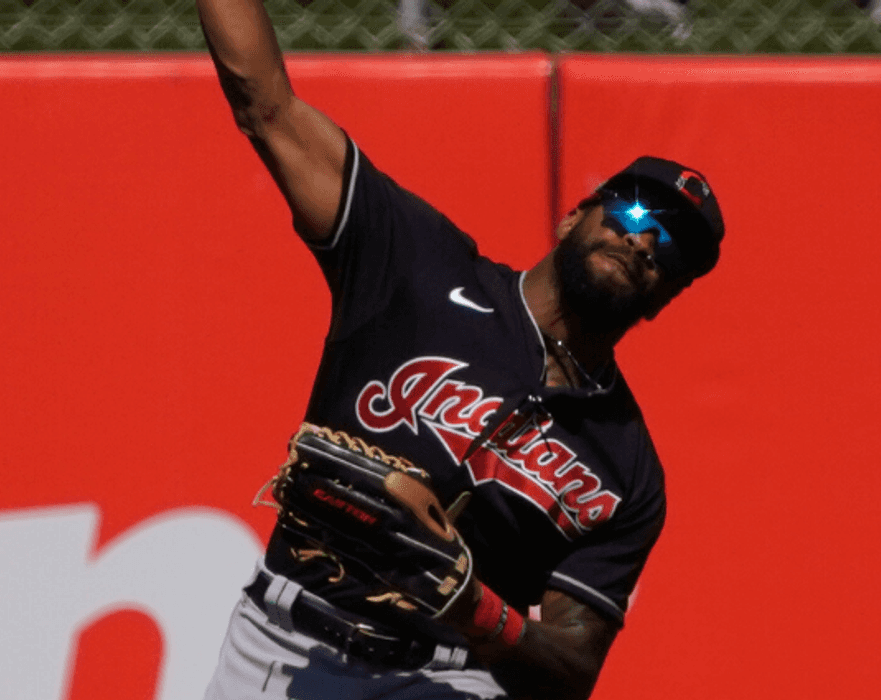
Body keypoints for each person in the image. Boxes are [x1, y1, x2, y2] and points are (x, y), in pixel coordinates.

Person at [195, 0, 725, 697]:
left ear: (667, 297)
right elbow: (265, 105)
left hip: (448, 677)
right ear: (575, 214)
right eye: (631, 209)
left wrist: (474, 608)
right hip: (283, 643)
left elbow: (571, 668)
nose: (643, 238)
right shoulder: (416, 266)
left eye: (672, 245)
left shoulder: (626, 471)